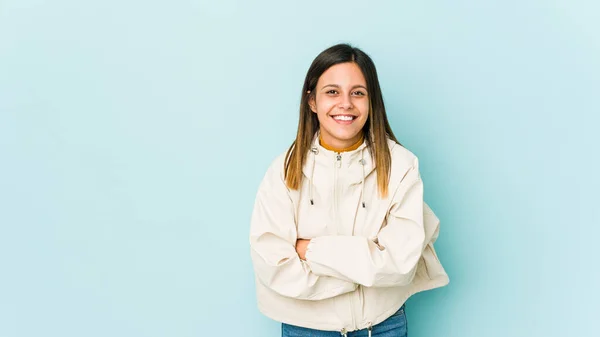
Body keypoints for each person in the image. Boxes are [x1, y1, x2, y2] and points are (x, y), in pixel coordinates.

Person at [249, 43, 449, 337]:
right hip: (307, 329)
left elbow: (400, 264)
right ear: (312, 101)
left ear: (371, 102)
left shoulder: (401, 166)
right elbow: (274, 265)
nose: (346, 103)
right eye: (332, 92)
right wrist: (364, 273)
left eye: (358, 92)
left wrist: (310, 250)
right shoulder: (283, 170)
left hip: (383, 326)